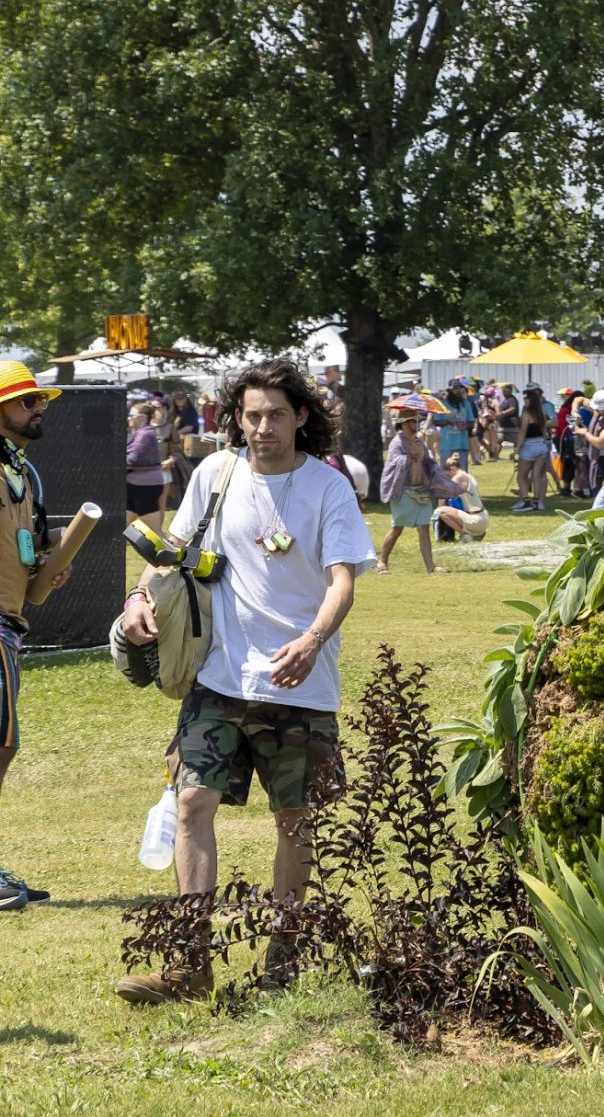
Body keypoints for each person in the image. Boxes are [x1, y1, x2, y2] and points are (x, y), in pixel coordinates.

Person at [112, 360, 371, 1002]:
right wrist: (139, 597)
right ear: (237, 418)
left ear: (301, 416)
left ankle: (283, 959)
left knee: (295, 820)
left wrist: (312, 640)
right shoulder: (215, 473)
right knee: (192, 804)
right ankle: (189, 964)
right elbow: (171, 554)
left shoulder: (328, 488)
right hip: (219, 678)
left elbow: (343, 580)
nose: (263, 427)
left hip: (299, 683)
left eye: (276, 414)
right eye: (252, 415)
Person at [0, 360, 109, 909]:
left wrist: (50, 561)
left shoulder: (25, 473)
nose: (39, 408)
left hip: (10, 622)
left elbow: (33, 540)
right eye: (27, 401)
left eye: (41, 400)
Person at [378, 402, 458, 572]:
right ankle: (382, 561)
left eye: (417, 420)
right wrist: (409, 457)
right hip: (403, 492)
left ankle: (430, 567)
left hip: (421, 491)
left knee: (424, 529)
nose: (417, 424)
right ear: (404, 423)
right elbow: (392, 465)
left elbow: (428, 462)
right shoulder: (397, 443)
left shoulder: (419, 441)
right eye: (413, 421)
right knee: (397, 529)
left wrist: (425, 457)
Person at [126, 401, 170, 535]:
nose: (128, 418)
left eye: (131, 415)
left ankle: (168, 548)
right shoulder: (139, 433)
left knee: (155, 532)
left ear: (143, 418)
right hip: (134, 486)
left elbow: (133, 460)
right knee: (121, 526)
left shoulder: (144, 435)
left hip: (145, 488)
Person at [434, 452, 490, 545]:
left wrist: (440, 506)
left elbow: (443, 494)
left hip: (476, 520)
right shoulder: (469, 476)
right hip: (483, 518)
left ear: (452, 468)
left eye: (449, 474)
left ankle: (465, 535)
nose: (450, 477)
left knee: (441, 511)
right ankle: (475, 534)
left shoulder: (459, 477)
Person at [513, 386, 553, 512]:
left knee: (521, 476)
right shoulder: (541, 414)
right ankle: (537, 502)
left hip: (529, 445)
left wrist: (517, 448)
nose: (525, 401)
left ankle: (525, 501)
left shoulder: (527, 414)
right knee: (537, 475)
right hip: (541, 445)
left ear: (531, 401)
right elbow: (544, 432)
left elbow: (523, 432)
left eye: (526, 399)